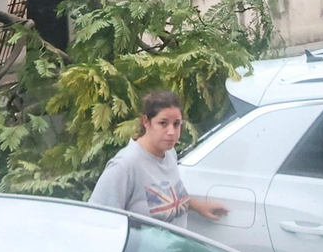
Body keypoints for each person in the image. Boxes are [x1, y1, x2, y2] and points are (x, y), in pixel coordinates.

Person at [89, 90, 228, 227]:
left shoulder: (169, 153)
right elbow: (97, 219)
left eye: (176, 124)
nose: (171, 132)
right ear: (146, 122)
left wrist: (198, 206)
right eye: (163, 123)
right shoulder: (124, 166)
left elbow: (169, 196)